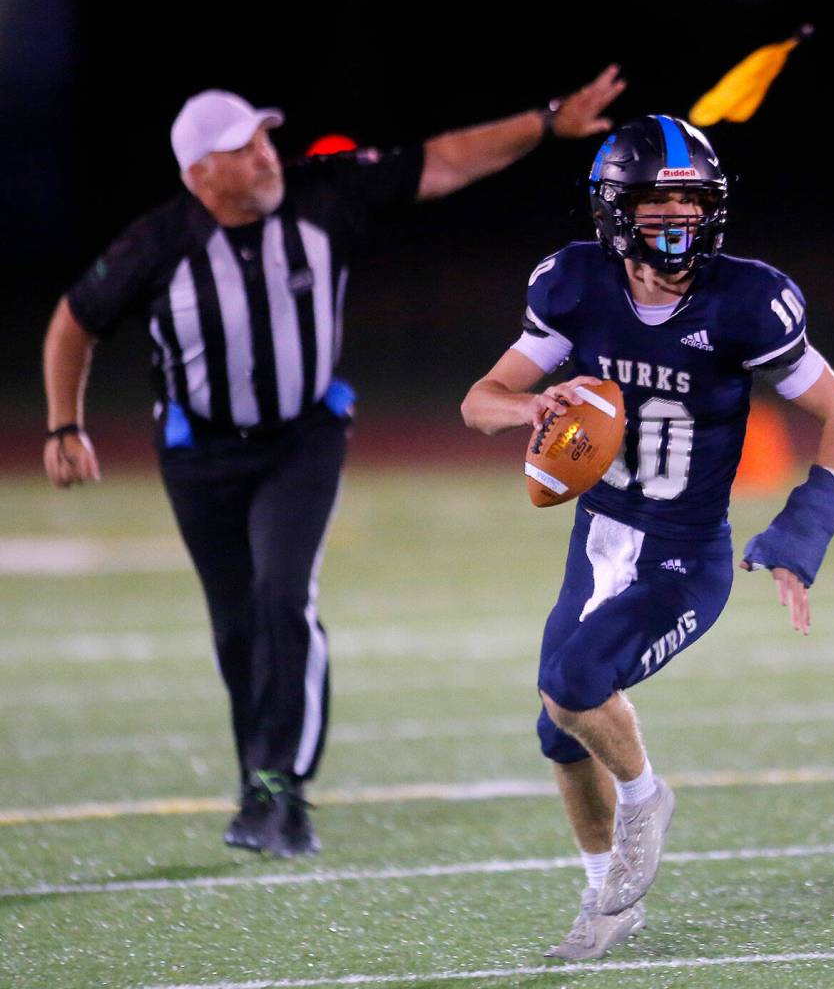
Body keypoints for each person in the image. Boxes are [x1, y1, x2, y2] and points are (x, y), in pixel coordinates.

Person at [42, 69, 628, 857]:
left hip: (301, 438)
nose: (264, 156)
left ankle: (283, 785)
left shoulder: (324, 196)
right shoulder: (157, 243)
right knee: (236, 622)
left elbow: (444, 158)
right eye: (240, 149)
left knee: (284, 594)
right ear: (198, 174)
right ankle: (258, 777)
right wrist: (62, 424)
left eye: (262, 139)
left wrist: (545, 120)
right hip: (200, 452)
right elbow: (73, 324)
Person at [461, 115, 834, 959]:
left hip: (684, 557)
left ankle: (645, 798)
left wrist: (807, 520)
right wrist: (527, 405)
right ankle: (605, 902)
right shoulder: (574, 286)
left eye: (692, 198)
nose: (677, 217)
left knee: (574, 683)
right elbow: (481, 399)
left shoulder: (744, 300)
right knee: (555, 729)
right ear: (615, 209)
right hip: (599, 538)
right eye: (657, 201)